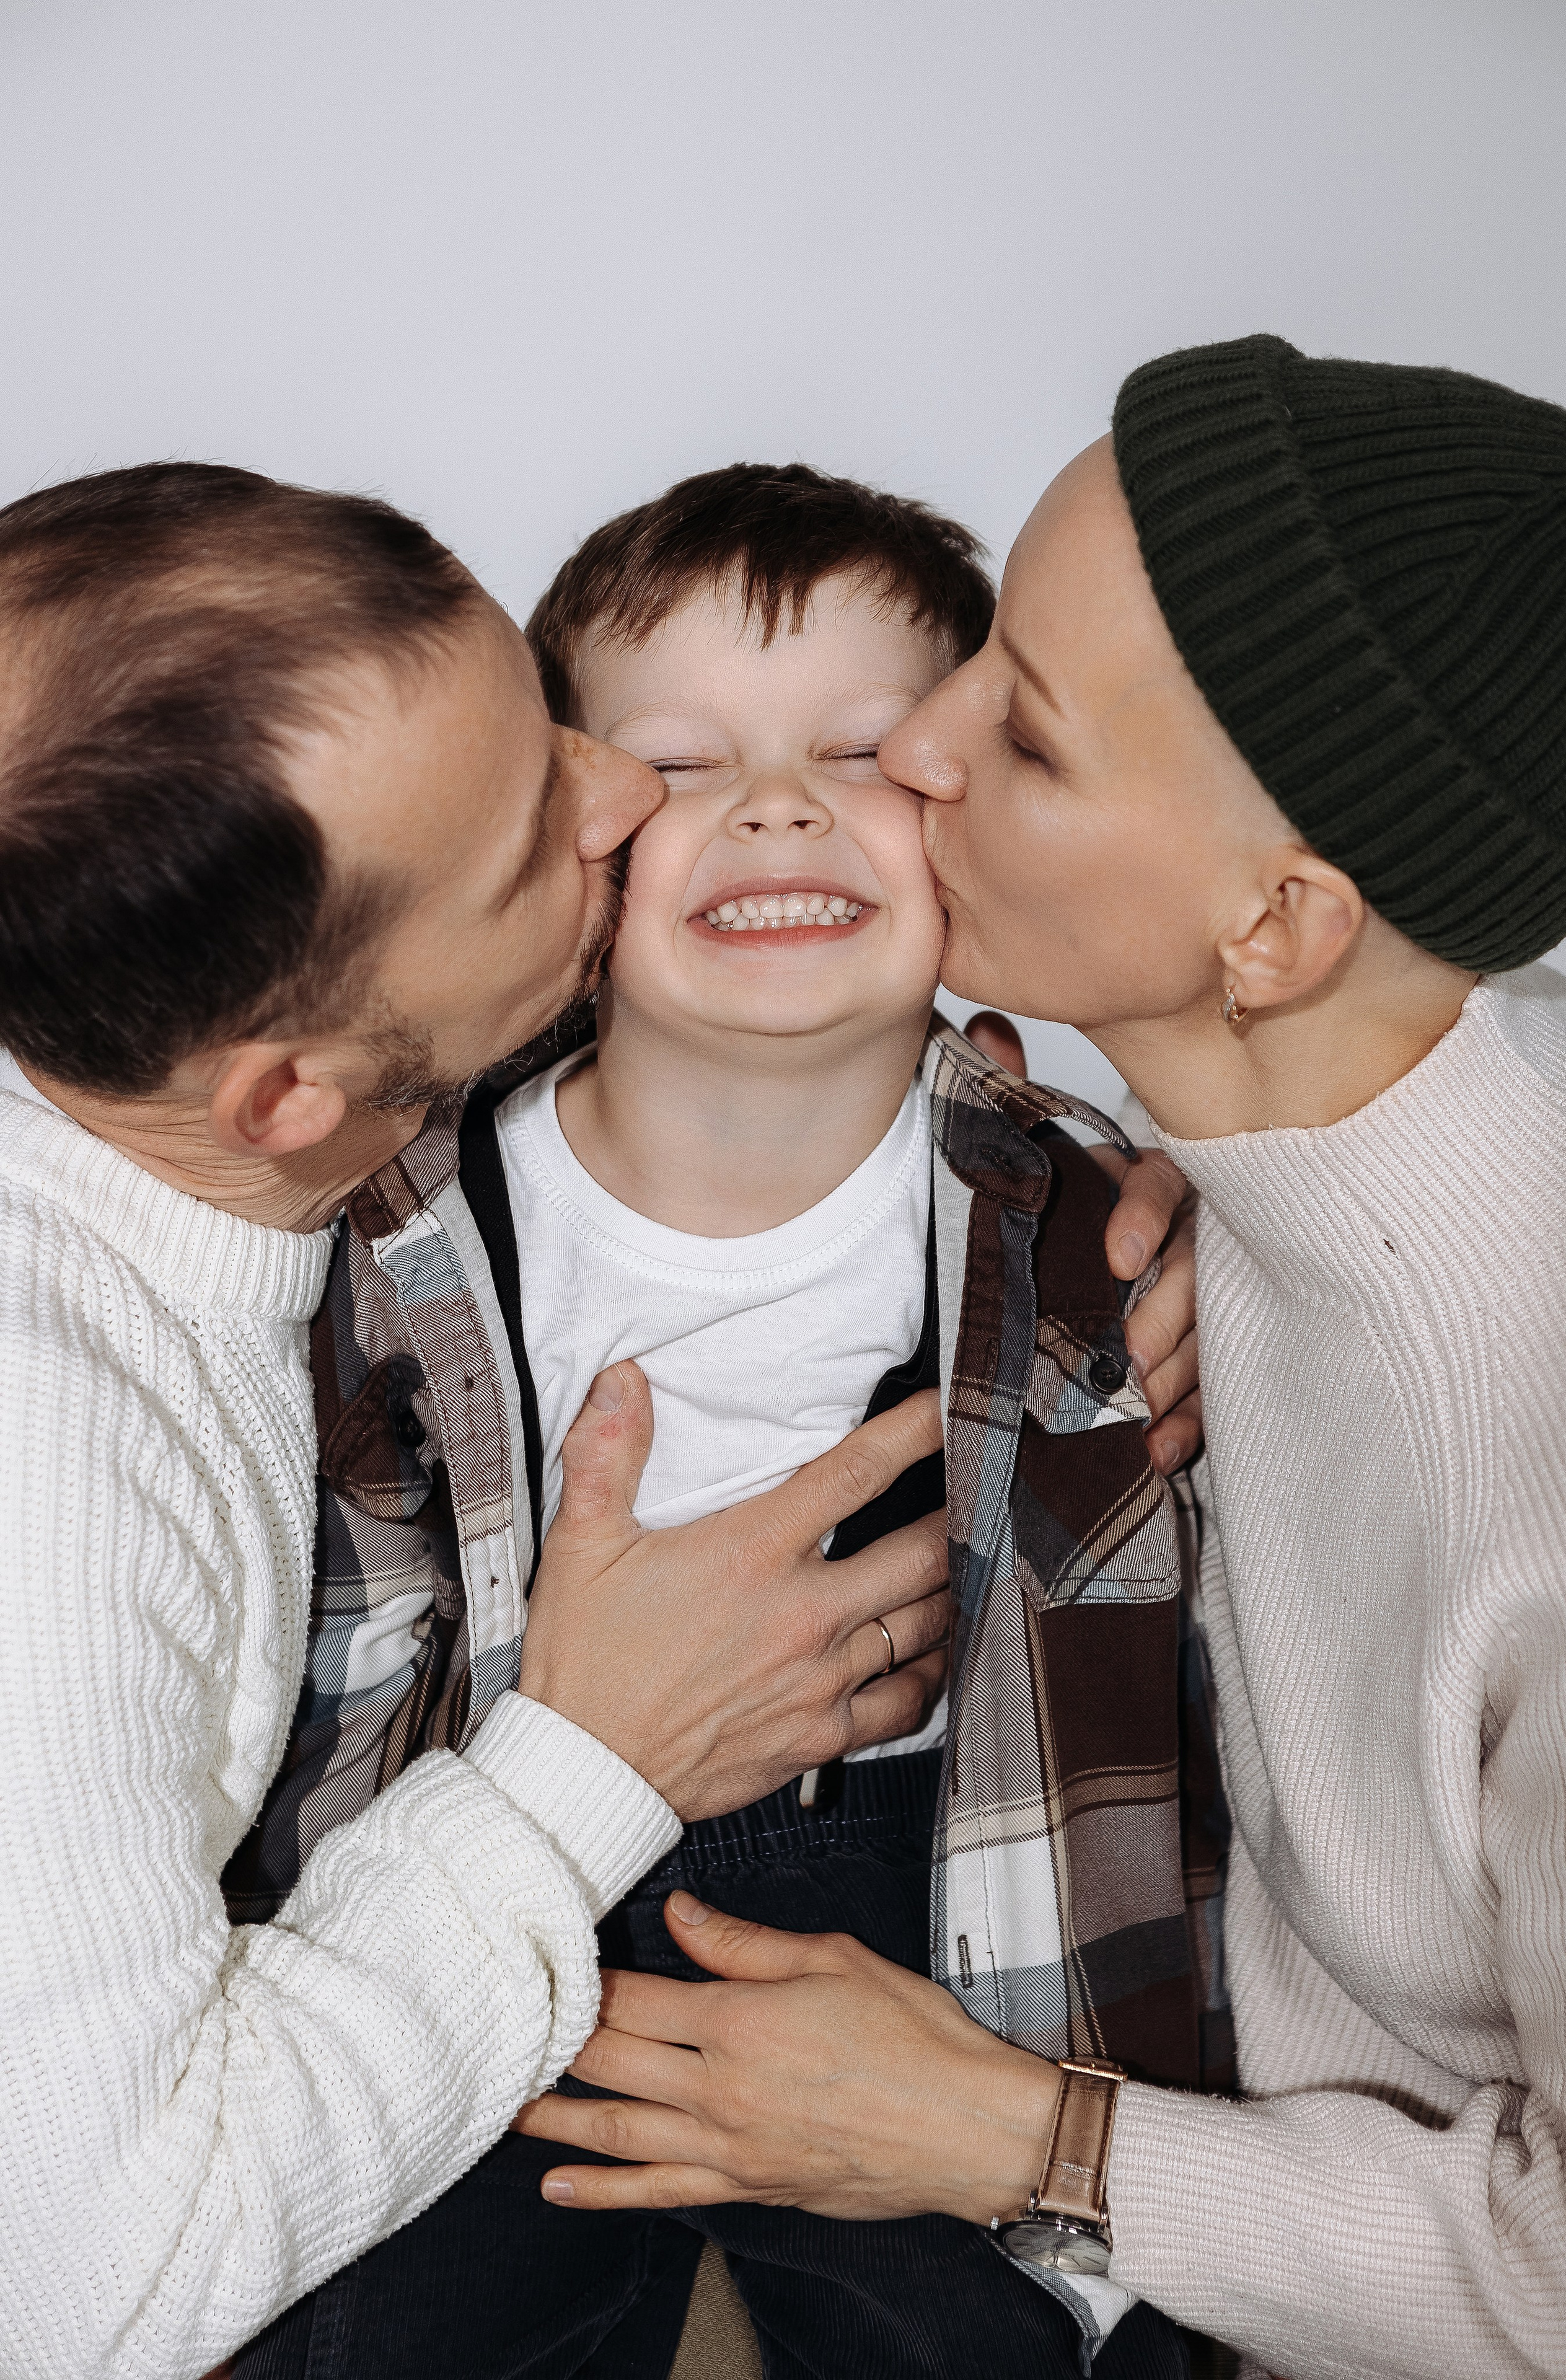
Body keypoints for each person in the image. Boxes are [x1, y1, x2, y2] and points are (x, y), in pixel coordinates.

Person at [519, 338, 1566, 2380]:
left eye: (1023, 732)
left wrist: (1012, 2138)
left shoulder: (1551, 1430)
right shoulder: (1188, 1180)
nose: (906, 746)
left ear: (1272, 932)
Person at [0, 460, 979, 2380]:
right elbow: (86, 2295)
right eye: (543, 833)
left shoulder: (249, 1123)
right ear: (290, 1093)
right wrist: (586, 1755)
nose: (633, 798)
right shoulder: (50, 1486)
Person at [235, 464, 1213, 2380]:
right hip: (500, 1905)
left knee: (1021, 2354)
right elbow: (337, 1666)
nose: (776, 803)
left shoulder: (1097, 1227)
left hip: (944, 1924)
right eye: (680, 766)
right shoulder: (394, 1216)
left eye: (862, 748)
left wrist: (1228, 1255)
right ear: (571, 842)